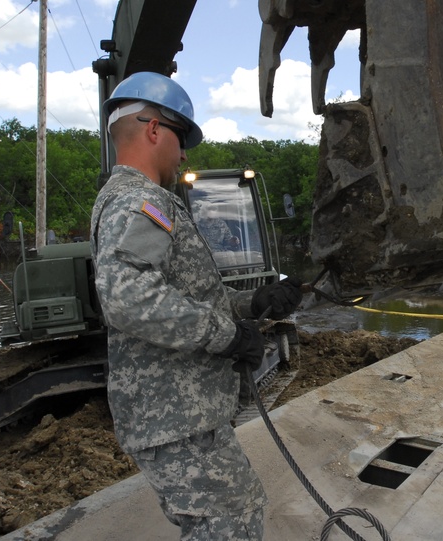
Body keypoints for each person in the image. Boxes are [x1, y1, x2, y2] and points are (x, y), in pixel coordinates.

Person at [89, 71, 303, 540]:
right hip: (174, 414)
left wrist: (253, 303)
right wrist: (227, 337)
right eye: (182, 138)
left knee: (232, 514)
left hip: (181, 412)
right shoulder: (141, 201)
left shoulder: (137, 199)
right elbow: (129, 297)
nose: (184, 154)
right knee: (229, 522)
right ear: (153, 130)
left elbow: (184, 295)